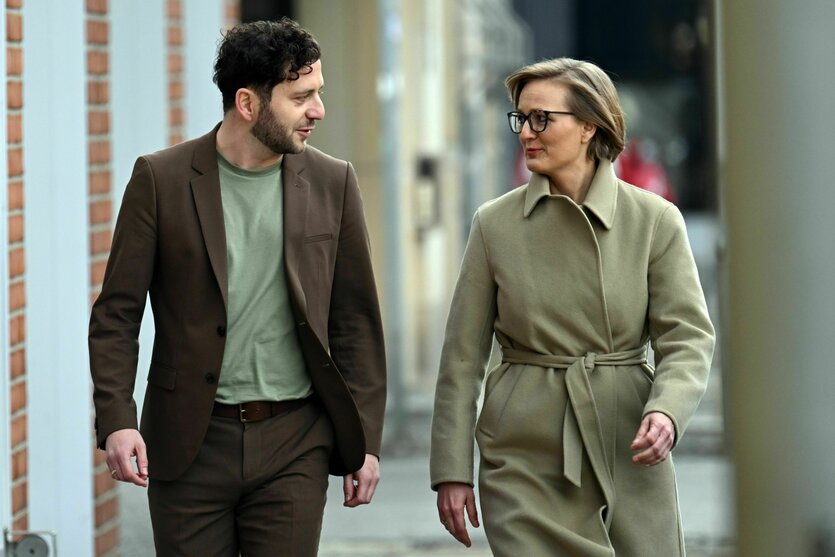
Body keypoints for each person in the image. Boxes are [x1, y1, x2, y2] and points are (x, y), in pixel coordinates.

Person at [89, 19, 386, 556]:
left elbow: (355, 320)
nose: (317, 110)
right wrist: (116, 419)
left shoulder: (333, 181)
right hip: (189, 443)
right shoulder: (161, 179)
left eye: (317, 93)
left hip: (296, 440)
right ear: (247, 103)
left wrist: (364, 441)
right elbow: (117, 314)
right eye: (301, 97)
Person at [430, 57, 714, 556]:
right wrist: (452, 470)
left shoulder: (654, 219)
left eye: (542, 118)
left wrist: (667, 411)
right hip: (523, 455)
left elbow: (687, 336)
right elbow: (461, 359)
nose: (526, 133)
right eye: (521, 118)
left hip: (628, 445)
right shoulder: (494, 224)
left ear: (589, 126)